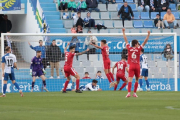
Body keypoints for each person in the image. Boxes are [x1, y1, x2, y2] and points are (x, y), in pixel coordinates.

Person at [122, 28, 150, 98]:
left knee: (130, 80)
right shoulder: (138, 49)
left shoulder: (129, 48)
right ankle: (134, 93)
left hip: (131, 66)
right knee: (137, 79)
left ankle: (128, 93)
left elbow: (125, 39)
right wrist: (148, 34)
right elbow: (145, 41)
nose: (138, 44)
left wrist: (123, 32)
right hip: (137, 66)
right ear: (136, 44)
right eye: (138, 43)